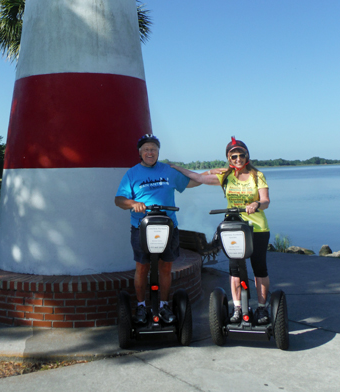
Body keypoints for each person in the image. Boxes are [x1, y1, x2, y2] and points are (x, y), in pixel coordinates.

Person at [171, 137, 271, 325]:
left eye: (242, 155)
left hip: (257, 228)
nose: (238, 159)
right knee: (234, 269)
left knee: (259, 268)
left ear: (247, 155)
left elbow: (266, 201)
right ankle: (238, 308)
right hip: (234, 228)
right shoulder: (226, 176)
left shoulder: (257, 175)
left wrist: (256, 203)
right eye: (234, 156)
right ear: (228, 158)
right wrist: (175, 168)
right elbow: (199, 178)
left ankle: (262, 307)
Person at [115, 134, 202, 325]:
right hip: (141, 227)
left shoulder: (168, 171)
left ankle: (163, 305)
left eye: (153, 149)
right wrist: (133, 203)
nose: (149, 152)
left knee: (166, 267)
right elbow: (119, 200)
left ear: (158, 152)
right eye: (146, 149)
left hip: (168, 226)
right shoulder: (131, 174)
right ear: (140, 152)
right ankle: (140, 306)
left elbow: (193, 182)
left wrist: (199, 174)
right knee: (142, 267)